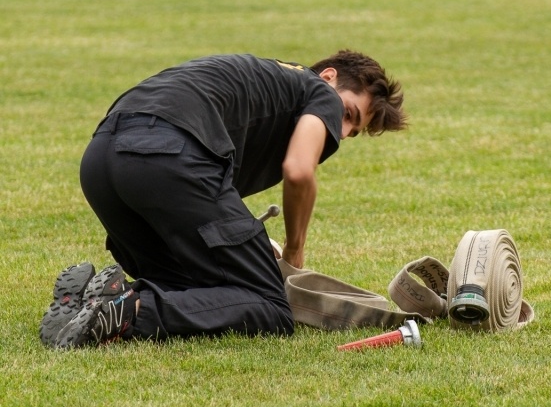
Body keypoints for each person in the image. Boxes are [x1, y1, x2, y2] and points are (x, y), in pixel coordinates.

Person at [40, 50, 407, 349]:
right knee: (269, 305)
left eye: (352, 132)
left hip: (101, 159)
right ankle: (130, 311)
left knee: (198, 285)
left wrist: (253, 246)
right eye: (347, 115)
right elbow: (298, 170)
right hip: (166, 155)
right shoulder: (319, 92)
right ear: (328, 77)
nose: (340, 132)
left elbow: (208, 209)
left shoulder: (265, 83)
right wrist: (295, 251)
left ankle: (94, 299)